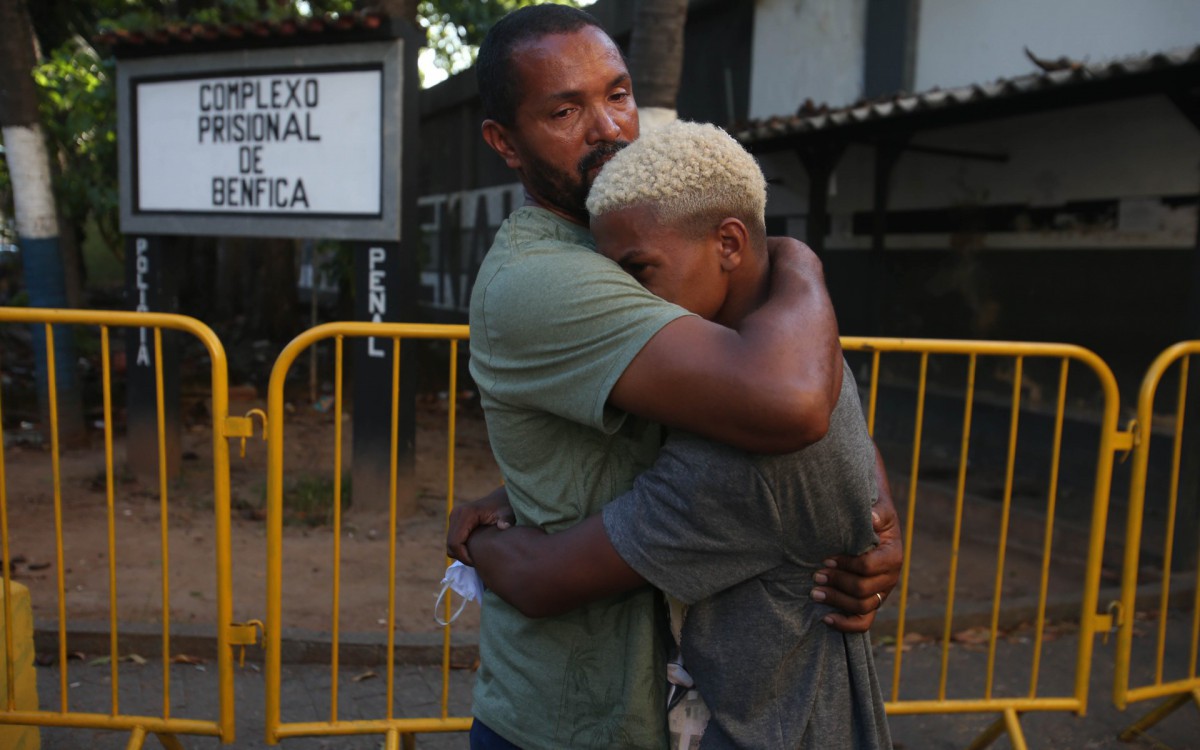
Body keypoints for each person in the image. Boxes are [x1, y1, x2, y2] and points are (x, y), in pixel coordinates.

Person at [451, 5, 901, 749]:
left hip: (683, 712)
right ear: (505, 141)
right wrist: (797, 258)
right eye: (565, 109)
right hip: (575, 720)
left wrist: (870, 509)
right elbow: (787, 402)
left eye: (618, 94)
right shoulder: (549, 278)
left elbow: (809, 391)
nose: (608, 128)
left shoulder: (648, 233)